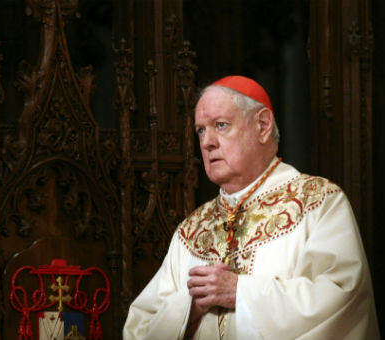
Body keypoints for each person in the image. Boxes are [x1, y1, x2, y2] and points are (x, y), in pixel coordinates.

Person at [123, 75, 380, 339]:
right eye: (200, 130)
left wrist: (242, 293)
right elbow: (139, 329)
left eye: (220, 125)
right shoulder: (191, 230)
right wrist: (189, 308)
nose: (207, 142)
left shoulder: (318, 202)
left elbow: (342, 296)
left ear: (263, 125)